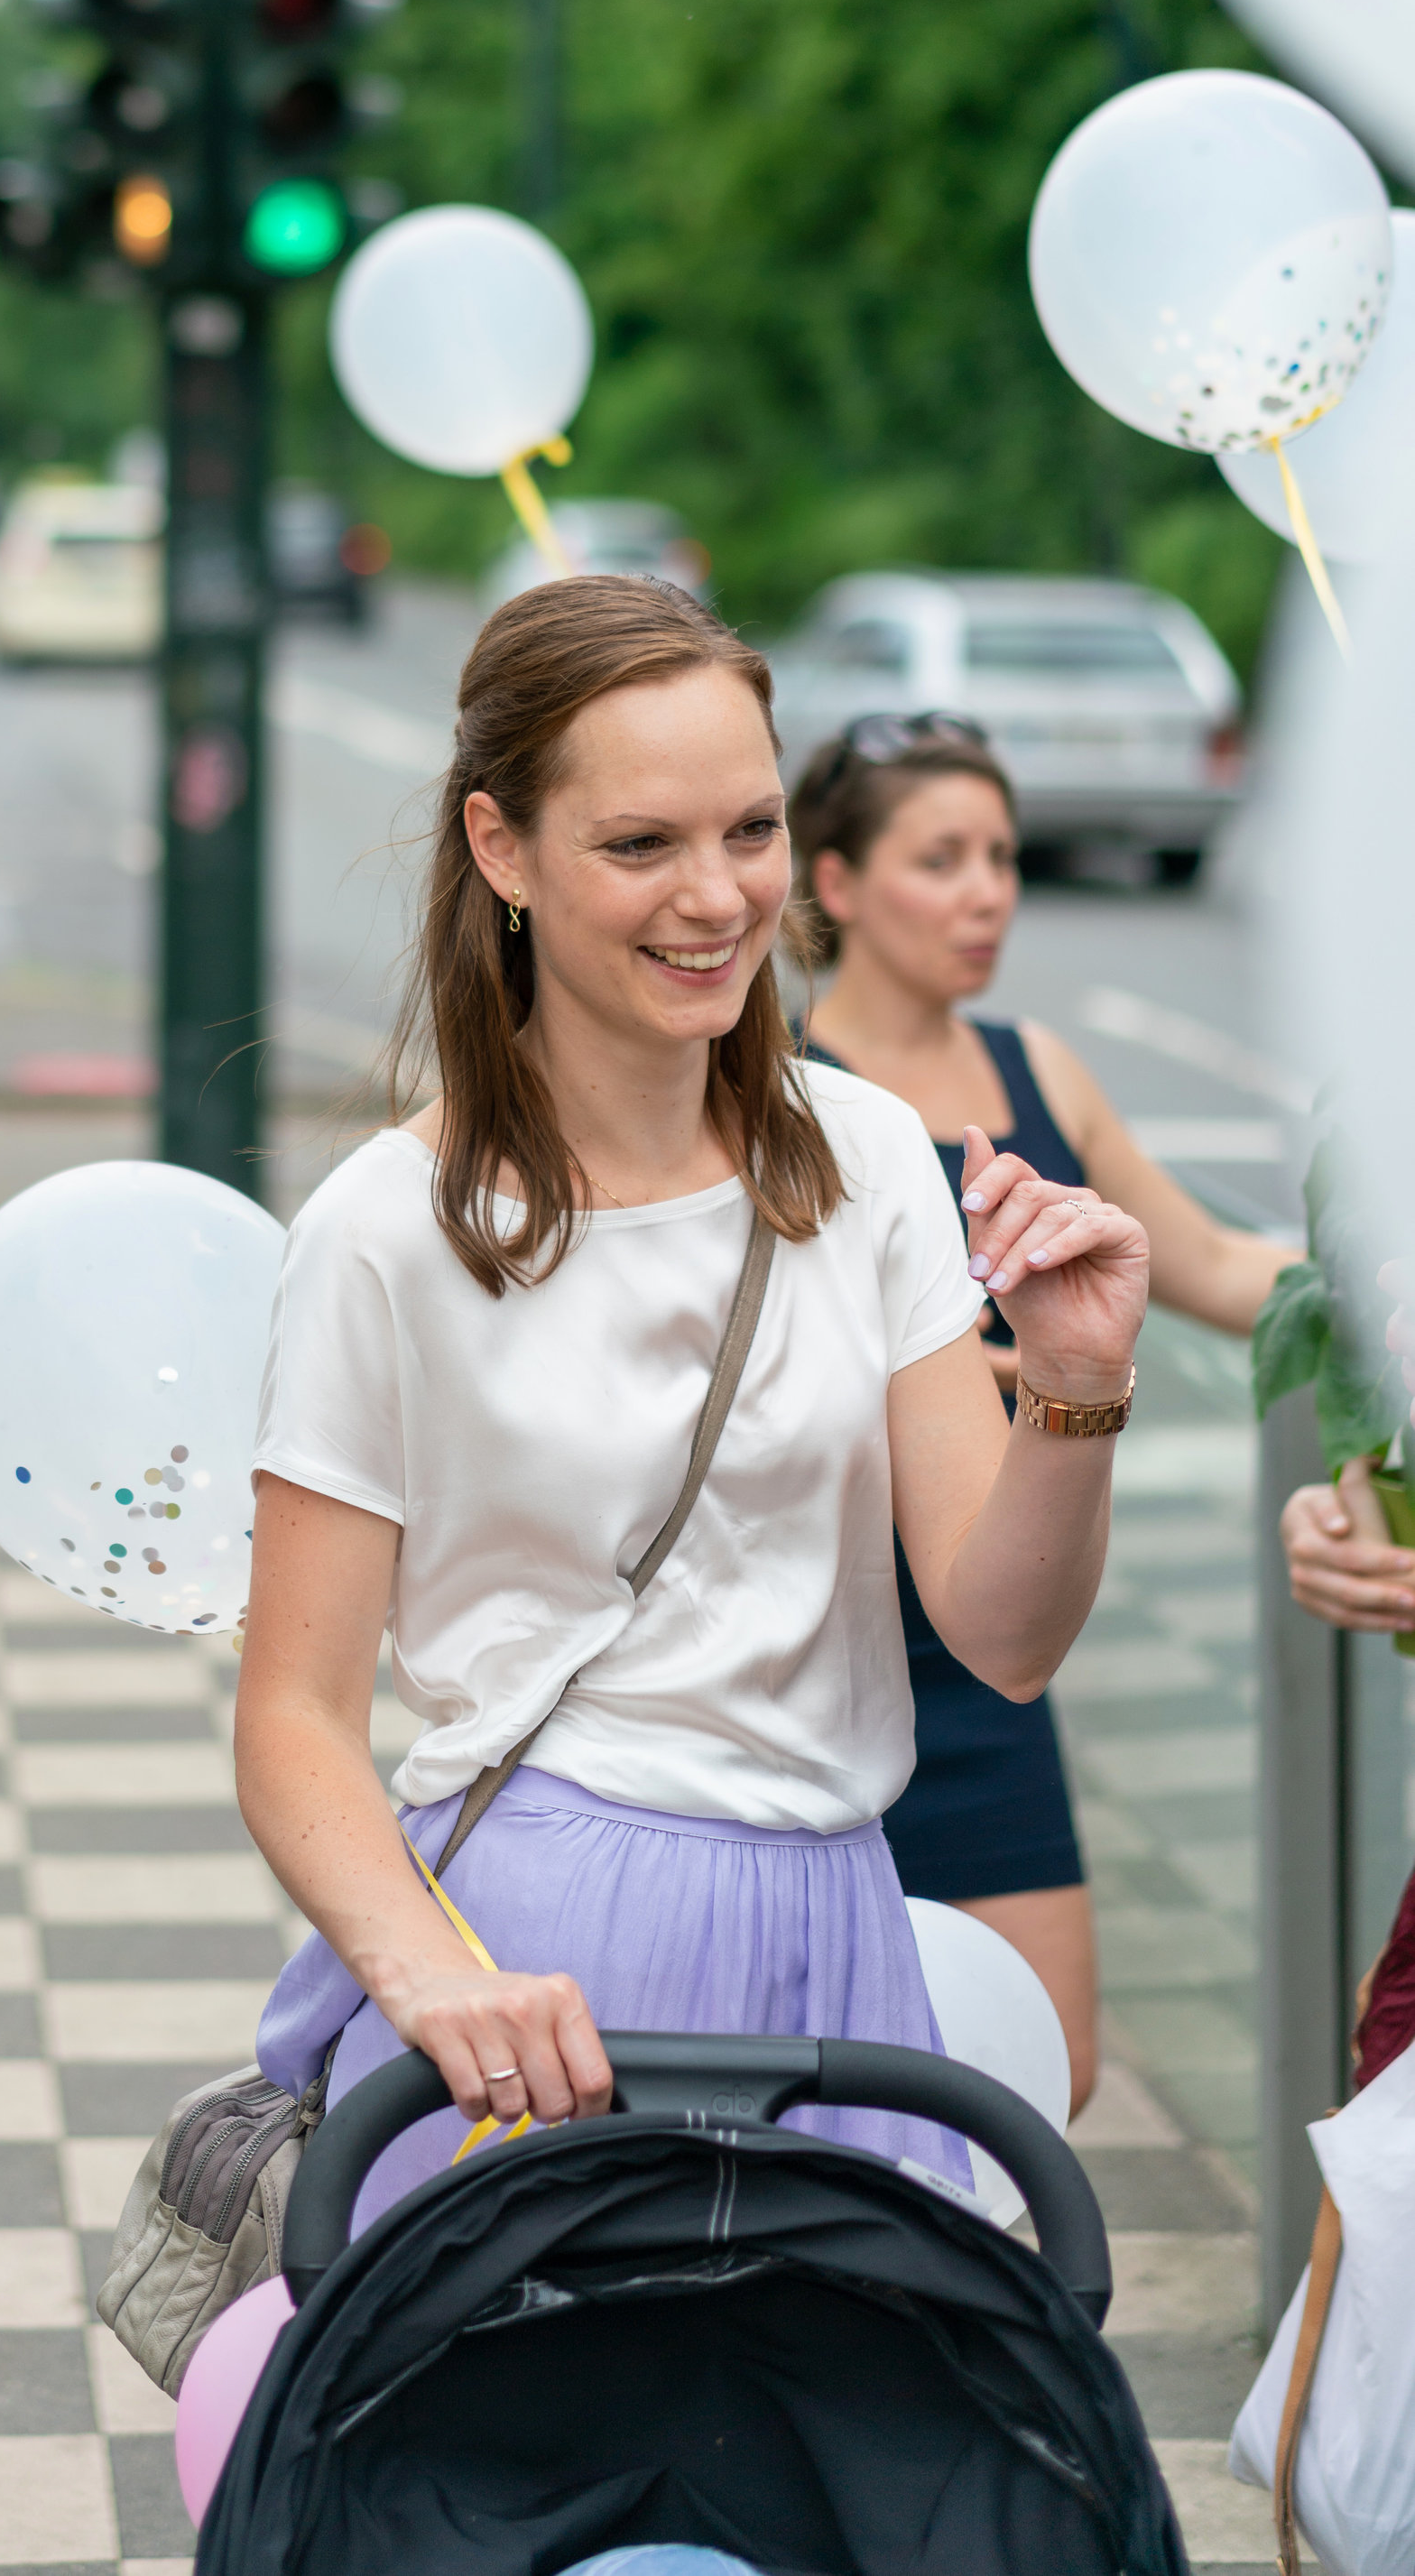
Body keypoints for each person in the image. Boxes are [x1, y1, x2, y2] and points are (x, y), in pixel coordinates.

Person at [236, 580, 1147, 2216]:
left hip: (839, 1947)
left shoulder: (863, 1155)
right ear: (502, 851)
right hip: (539, 1976)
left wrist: (1075, 1395)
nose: (716, 898)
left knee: (854, 2459)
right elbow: (295, 1715)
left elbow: (1003, 1638)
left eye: (751, 830)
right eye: (640, 844)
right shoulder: (391, 1226)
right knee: (538, 2461)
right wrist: (435, 1982)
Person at [789, 713, 1296, 2112]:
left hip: (991, 1646)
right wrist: (969, 1375)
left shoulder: (1038, 1070)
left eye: (1001, 857)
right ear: (835, 884)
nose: (986, 892)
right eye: (939, 858)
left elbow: (1216, 1270)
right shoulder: (766, 1089)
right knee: (811, 2090)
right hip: (800, 1650)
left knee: (1041, 2080)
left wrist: (1370, 1277)